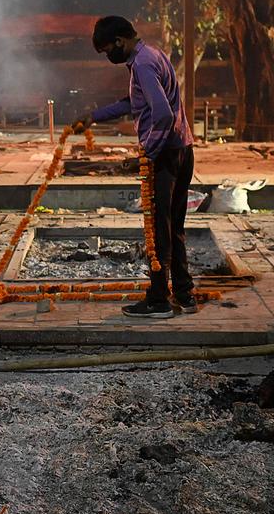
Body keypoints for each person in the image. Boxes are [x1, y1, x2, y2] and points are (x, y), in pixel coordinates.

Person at [78, 16, 196, 319]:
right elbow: (135, 103)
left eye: (107, 51)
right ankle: (185, 294)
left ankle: (158, 302)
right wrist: (95, 116)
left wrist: (146, 156)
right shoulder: (153, 55)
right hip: (183, 149)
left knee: (159, 231)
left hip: (166, 155)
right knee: (174, 226)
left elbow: (164, 116)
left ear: (120, 41)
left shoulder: (142, 64)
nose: (109, 57)